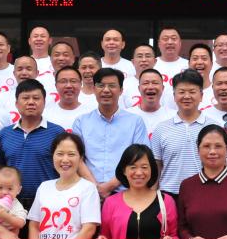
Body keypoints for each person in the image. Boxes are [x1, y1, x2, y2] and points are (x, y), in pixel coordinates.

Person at [73, 68, 148, 199]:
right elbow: (77, 158)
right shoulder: (81, 122)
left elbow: (139, 158)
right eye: (101, 85)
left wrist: (109, 186)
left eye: (112, 86)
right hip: (89, 193)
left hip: (125, 193)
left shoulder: (135, 122)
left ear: (121, 90)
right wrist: (95, 188)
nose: (106, 90)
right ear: (94, 89)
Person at [0, 78, 65, 216]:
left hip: (49, 201)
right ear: (16, 103)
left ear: (44, 102)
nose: (31, 102)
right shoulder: (5, 134)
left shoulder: (57, 133)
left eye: (36, 98)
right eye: (25, 98)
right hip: (11, 204)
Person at [150, 69, 215, 197]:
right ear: (174, 96)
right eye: (181, 92)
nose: (187, 96)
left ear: (201, 95)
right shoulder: (161, 128)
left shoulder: (213, 128)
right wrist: (152, 198)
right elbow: (156, 167)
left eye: (192, 92)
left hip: (204, 194)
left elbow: (221, 165)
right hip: (168, 196)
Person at [125, 68, 174, 139]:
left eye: (155, 83)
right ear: (139, 88)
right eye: (146, 83)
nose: (150, 87)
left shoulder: (173, 116)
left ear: (162, 88)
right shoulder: (127, 116)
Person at [44, 66, 93, 130]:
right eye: (63, 81)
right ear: (56, 86)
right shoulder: (45, 114)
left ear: (81, 84)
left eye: (73, 81)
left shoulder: (91, 114)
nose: (68, 86)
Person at [186, 43, 217, 112]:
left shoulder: (218, 91)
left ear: (211, 64)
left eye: (204, 58)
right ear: (189, 63)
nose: (199, 62)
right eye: (195, 58)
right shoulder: (180, 93)